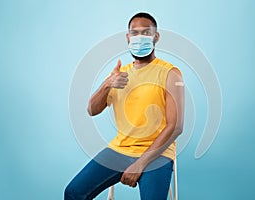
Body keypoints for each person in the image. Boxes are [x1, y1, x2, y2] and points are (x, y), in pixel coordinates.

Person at [65, 12, 184, 200]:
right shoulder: (120, 74)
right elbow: (92, 110)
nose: (139, 37)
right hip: (120, 150)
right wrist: (107, 84)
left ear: (156, 37)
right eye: (134, 33)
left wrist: (140, 164)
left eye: (146, 32)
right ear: (128, 38)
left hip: (156, 154)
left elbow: (175, 127)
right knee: (73, 193)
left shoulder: (171, 74)